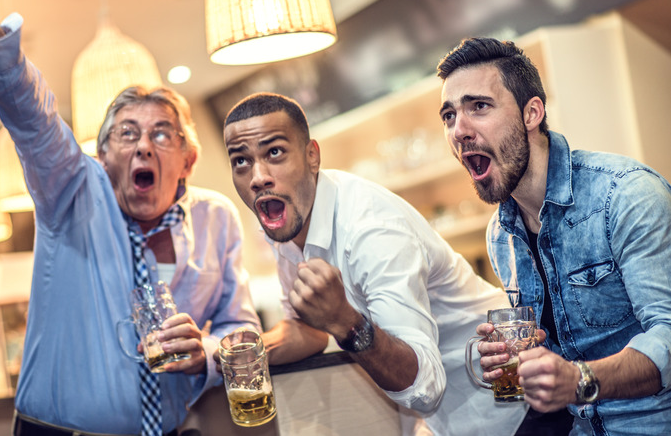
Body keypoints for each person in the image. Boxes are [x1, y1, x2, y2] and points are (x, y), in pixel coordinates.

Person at [0, 0, 261, 435]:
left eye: (162, 133)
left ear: (189, 159)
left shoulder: (216, 218)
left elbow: (240, 325)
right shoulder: (72, 193)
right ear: (102, 156)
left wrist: (207, 351)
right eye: (126, 133)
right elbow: (32, 119)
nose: (143, 146)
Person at [221, 92, 526, 435]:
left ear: (311, 156)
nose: (258, 177)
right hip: (439, 421)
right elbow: (307, 330)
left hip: (508, 405)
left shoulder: (372, 229)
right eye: (241, 162)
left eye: (274, 152)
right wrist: (250, 354)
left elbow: (425, 386)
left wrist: (344, 321)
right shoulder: (285, 223)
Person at [437, 37, 671, 435]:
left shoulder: (626, 195)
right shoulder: (501, 233)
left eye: (479, 106)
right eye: (448, 116)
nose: (459, 130)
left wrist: (578, 379)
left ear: (532, 113)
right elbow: (553, 356)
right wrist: (516, 361)